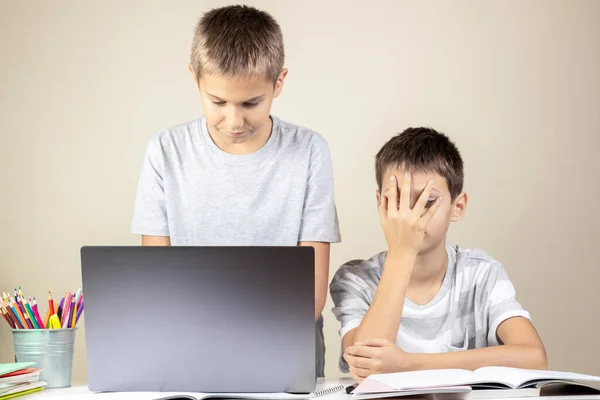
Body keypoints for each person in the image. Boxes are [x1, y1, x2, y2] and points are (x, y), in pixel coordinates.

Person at [131, 5, 341, 377]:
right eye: (218, 102)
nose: (234, 120)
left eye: (250, 103)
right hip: (189, 343)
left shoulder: (309, 151)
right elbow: (157, 277)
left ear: (278, 83)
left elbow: (310, 293)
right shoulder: (165, 150)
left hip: (286, 343)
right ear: (194, 78)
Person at [330, 127, 546, 381]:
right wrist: (402, 252)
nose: (411, 216)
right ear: (381, 203)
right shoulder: (356, 279)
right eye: (397, 201)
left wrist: (409, 364)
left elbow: (534, 358)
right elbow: (367, 364)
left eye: (428, 202)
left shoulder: (481, 274)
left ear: (458, 207)